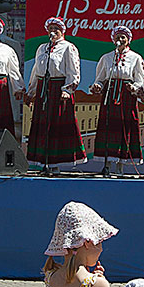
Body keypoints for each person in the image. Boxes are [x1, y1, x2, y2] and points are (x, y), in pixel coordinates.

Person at [25, 17, 85, 173]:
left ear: (62, 31)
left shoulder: (68, 48)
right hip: (43, 88)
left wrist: (67, 90)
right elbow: (36, 71)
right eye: (50, 28)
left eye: (56, 28)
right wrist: (31, 92)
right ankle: (44, 163)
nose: (53, 31)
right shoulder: (42, 48)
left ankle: (56, 164)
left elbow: (74, 71)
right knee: (42, 125)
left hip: (59, 89)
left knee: (56, 126)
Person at [91, 25, 144, 175]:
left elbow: (141, 79)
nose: (120, 39)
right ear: (113, 40)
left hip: (126, 96)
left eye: (123, 37)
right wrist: (97, 86)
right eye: (117, 37)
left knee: (125, 128)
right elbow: (100, 78)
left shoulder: (136, 58)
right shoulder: (107, 57)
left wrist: (134, 88)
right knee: (109, 128)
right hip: (110, 95)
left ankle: (121, 166)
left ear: (128, 40)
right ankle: (107, 165)